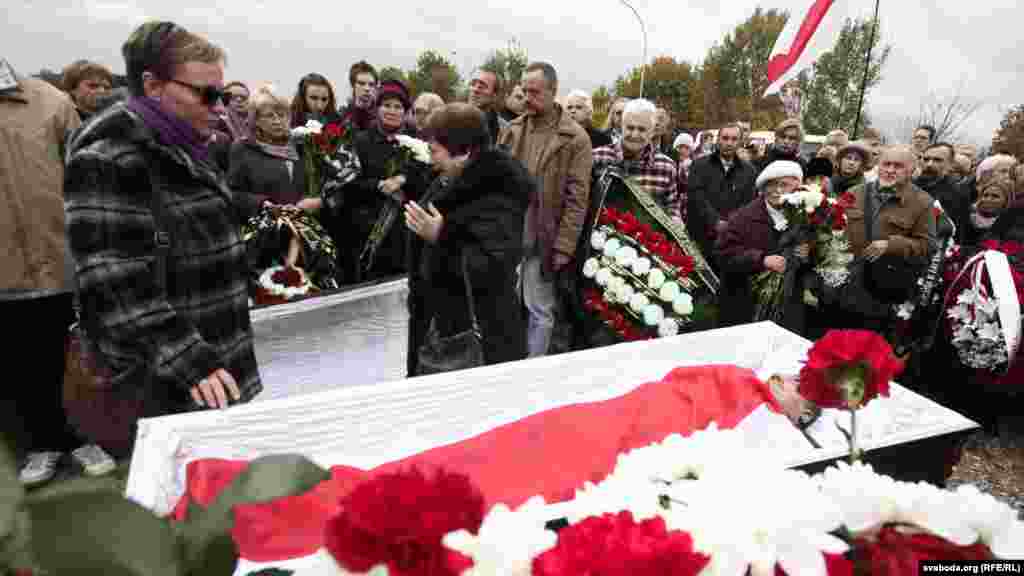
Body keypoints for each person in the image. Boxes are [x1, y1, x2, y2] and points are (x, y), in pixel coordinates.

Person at [64, 21, 262, 444]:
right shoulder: (107, 160)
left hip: (217, 361)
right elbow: (115, 282)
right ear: (153, 85)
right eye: (206, 95)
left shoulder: (186, 145)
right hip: (168, 381)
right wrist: (192, 362)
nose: (219, 108)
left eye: (222, 95)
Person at [1, 56, 118, 485]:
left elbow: (88, 179)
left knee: (70, 357)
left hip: (57, 257)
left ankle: (83, 438)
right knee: (17, 363)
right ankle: (42, 444)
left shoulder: (50, 102)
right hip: (4, 268)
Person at [404, 103, 531, 376]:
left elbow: (494, 265)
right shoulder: (448, 180)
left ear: (463, 152)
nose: (430, 159)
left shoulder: (498, 190)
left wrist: (441, 235)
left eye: (435, 151)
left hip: (483, 337)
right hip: (444, 329)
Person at [497, 61, 592, 358]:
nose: (527, 98)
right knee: (507, 306)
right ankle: (509, 363)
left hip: (544, 240)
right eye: (524, 91)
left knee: (540, 310)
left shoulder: (575, 138)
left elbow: (578, 199)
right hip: (509, 236)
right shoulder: (512, 130)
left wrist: (564, 246)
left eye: (535, 92)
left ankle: (533, 368)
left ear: (553, 91)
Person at [228, 85, 338, 298]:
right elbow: (232, 194)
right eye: (269, 115)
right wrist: (262, 204)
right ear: (256, 120)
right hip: (265, 244)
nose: (278, 121)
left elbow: (330, 186)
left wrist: (320, 201)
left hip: (308, 243)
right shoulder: (242, 149)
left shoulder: (305, 145)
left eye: (282, 114)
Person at [339, 79, 431, 285]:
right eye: (386, 105)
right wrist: (379, 185)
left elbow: (426, 181)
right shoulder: (360, 141)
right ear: (377, 109)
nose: (392, 111)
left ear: (405, 112)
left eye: (398, 107)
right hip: (368, 231)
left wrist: (403, 179)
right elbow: (348, 183)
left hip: (404, 233)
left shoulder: (418, 144)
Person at [838, 145, 931, 332]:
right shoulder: (854, 192)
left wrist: (891, 245)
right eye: (886, 164)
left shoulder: (924, 203)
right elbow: (832, 225)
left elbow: (928, 245)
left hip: (882, 294)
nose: (890, 170)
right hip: (844, 287)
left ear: (911, 170)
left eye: (898, 166)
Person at [717, 161, 811, 330]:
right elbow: (723, 254)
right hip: (747, 305)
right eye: (771, 184)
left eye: (784, 185)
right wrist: (761, 260)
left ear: (796, 187)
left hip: (788, 305)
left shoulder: (807, 215)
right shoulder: (743, 217)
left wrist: (808, 254)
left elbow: (818, 256)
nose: (777, 190)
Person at [591, 99, 679, 221]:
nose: (635, 134)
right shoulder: (597, 157)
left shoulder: (666, 167)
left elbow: (673, 212)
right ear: (621, 127)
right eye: (630, 128)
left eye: (642, 129)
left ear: (652, 131)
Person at [686, 122, 758, 267]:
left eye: (734, 139)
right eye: (725, 138)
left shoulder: (749, 171)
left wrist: (730, 225)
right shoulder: (699, 165)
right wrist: (715, 222)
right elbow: (696, 198)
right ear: (718, 139)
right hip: (700, 237)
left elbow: (748, 204)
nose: (729, 143)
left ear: (740, 142)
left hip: (732, 240)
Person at [914, 142, 968, 242]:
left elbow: (955, 231)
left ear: (951, 165)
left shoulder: (957, 194)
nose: (929, 164)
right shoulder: (909, 186)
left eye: (937, 160)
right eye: (926, 159)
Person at [468, 66, 508, 145]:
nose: (475, 89)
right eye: (473, 84)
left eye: (482, 87)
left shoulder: (504, 130)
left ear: (494, 95)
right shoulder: (452, 119)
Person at [338, 60, 378, 133]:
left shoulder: (382, 118)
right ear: (353, 85)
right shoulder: (342, 118)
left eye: (371, 84)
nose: (367, 88)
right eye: (361, 83)